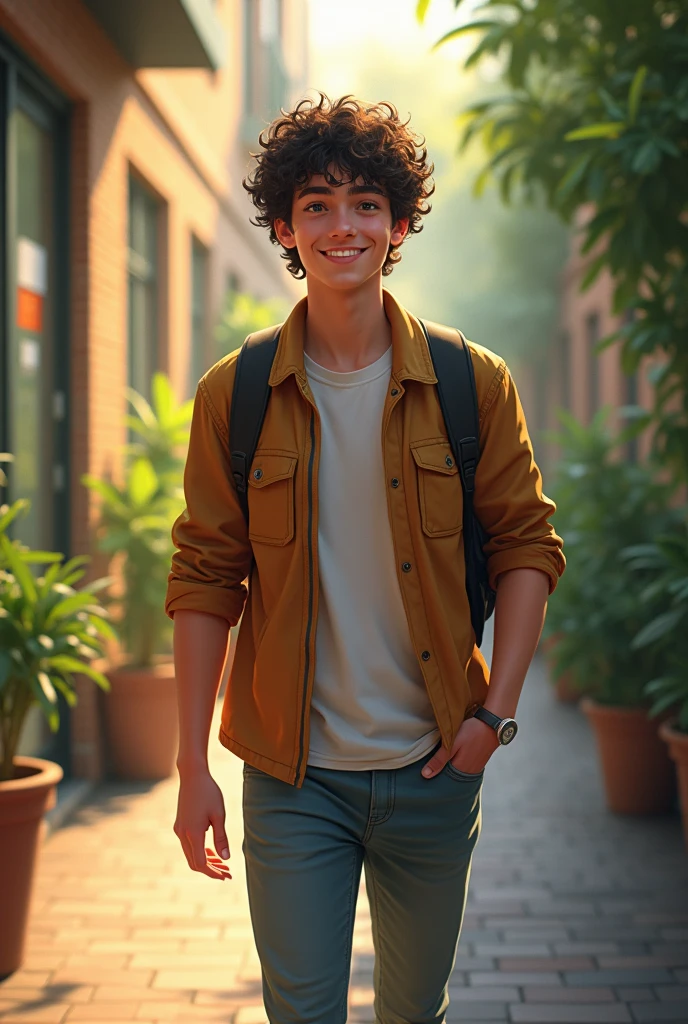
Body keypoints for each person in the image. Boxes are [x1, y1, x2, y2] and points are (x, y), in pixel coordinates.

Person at [166, 95, 565, 1024]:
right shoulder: (238, 395)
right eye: (316, 204)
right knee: (301, 1012)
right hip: (292, 777)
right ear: (283, 227)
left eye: (365, 204)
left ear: (398, 222)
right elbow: (203, 579)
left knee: (413, 1011)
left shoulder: (472, 383)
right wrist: (191, 766)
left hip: (434, 766)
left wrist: (492, 721)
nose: (342, 226)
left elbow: (527, 546)